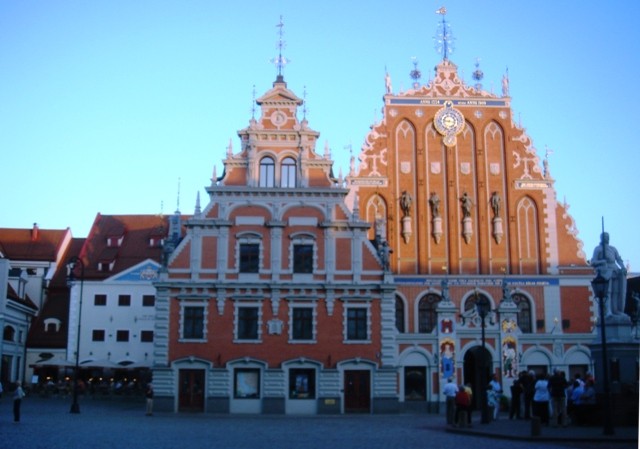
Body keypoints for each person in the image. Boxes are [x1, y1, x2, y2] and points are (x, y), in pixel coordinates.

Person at [591, 232, 627, 316]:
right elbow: (593, 262)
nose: (606, 238)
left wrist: (623, 267)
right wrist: (602, 261)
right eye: (604, 237)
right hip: (605, 271)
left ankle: (615, 310)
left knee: (616, 292)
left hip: (615, 270)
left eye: (607, 236)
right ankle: (607, 311)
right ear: (601, 238)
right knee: (607, 291)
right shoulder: (598, 249)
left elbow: (618, 259)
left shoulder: (613, 248)